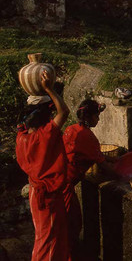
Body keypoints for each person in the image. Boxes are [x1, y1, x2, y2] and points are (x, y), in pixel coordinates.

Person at [16, 70, 70, 261]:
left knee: (47, 236)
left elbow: (30, 116)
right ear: (44, 121)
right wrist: (49, 88)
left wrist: (37, 93)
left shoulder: (21, 136)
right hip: (47, 196)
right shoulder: (44, 136)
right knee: (48, 239)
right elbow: (64, 112)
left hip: (35, 192)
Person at [62, 99, 118, 258]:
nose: (99, 120)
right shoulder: (88, 136)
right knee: (72, 226)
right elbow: (103, 166)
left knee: (64, 226)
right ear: (88, 117)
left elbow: (96, 155)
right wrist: (124, 176)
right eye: (96, 116)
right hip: (64, 186)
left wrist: (118, 159)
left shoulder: (72, 129)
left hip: (59, 181)